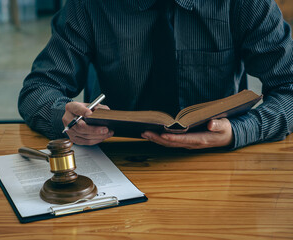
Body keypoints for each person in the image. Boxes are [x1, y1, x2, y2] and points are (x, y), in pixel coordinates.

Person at [18, 0, 293, 150]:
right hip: (117, 158)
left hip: (217, 158)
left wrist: (239, 131)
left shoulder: (246, 4)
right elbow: (39, 89)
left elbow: (288, 87)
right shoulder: (89, 5)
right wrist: (65, 118)